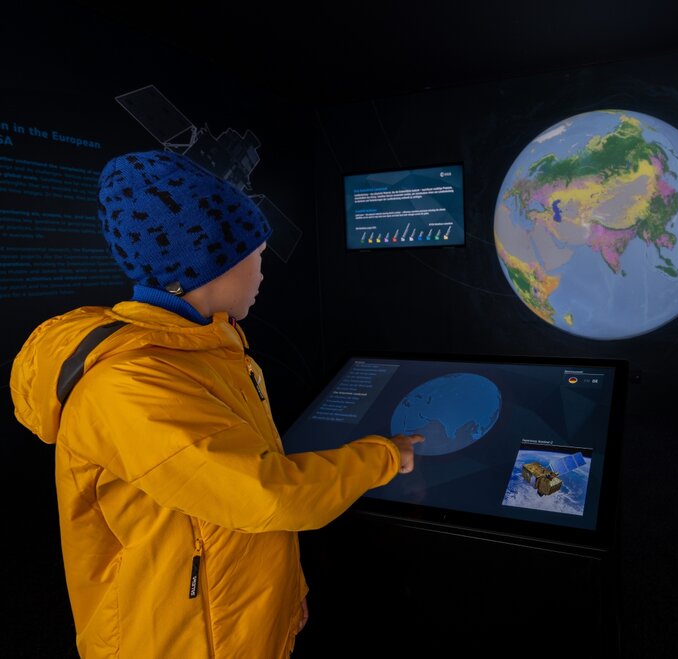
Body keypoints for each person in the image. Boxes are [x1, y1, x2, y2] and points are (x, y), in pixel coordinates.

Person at [9, 149, 423, 658]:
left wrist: (282, 601)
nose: (264, 273)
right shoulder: (129, 385)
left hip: (233, 626)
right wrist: (385, 456)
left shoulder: (212, 349)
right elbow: (268, 496)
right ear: (210, 261)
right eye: (259, 254)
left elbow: (236, 500)